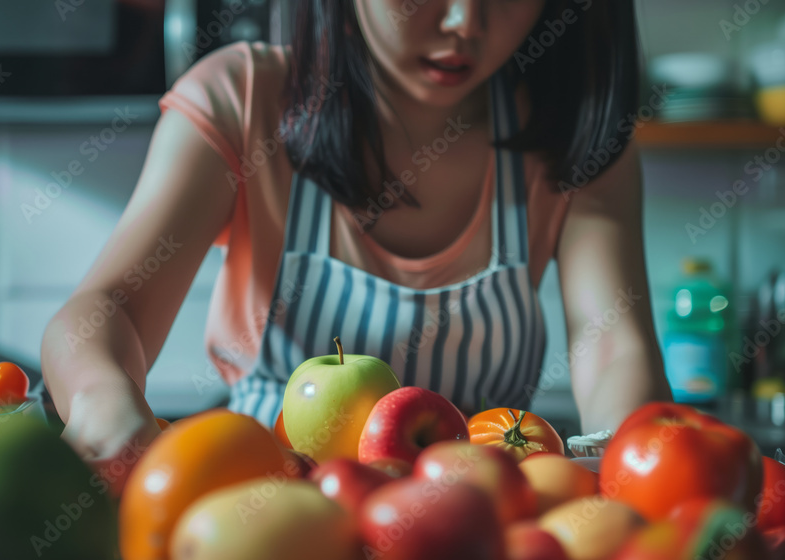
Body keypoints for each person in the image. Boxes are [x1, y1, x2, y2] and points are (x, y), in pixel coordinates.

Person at [41, 0, 672, 475]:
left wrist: (636, 466)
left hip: (474, 528)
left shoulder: (570, 135)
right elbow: (109, 306)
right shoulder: (244, 99)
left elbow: (614, 344)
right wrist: (103, 403)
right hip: (270, 521)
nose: (463, 22)